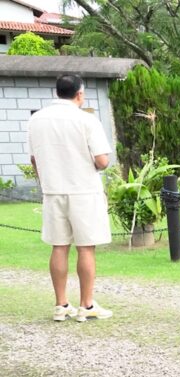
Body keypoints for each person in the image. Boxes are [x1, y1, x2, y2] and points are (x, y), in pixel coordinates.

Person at [27, 74, 113, 323]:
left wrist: (46, 180)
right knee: (85, 247)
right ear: (79, 94)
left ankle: (61, 305)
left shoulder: (36, 120)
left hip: (53, 190)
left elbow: (34, 159)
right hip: (83, 190)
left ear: (57, 92)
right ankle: (86, 304)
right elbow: (102, 160)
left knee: (59, 245)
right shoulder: (86, 119)